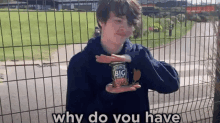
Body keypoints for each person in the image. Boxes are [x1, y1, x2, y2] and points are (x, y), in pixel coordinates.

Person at [66, 0, 180, 123]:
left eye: (130, 23)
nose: (125, 28)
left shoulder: (139, 55)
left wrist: (135, 59)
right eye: (118, 21)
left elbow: (172, 83)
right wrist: (107, 94)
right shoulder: (80, 63)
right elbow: (75, 115)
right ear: (101, 21)